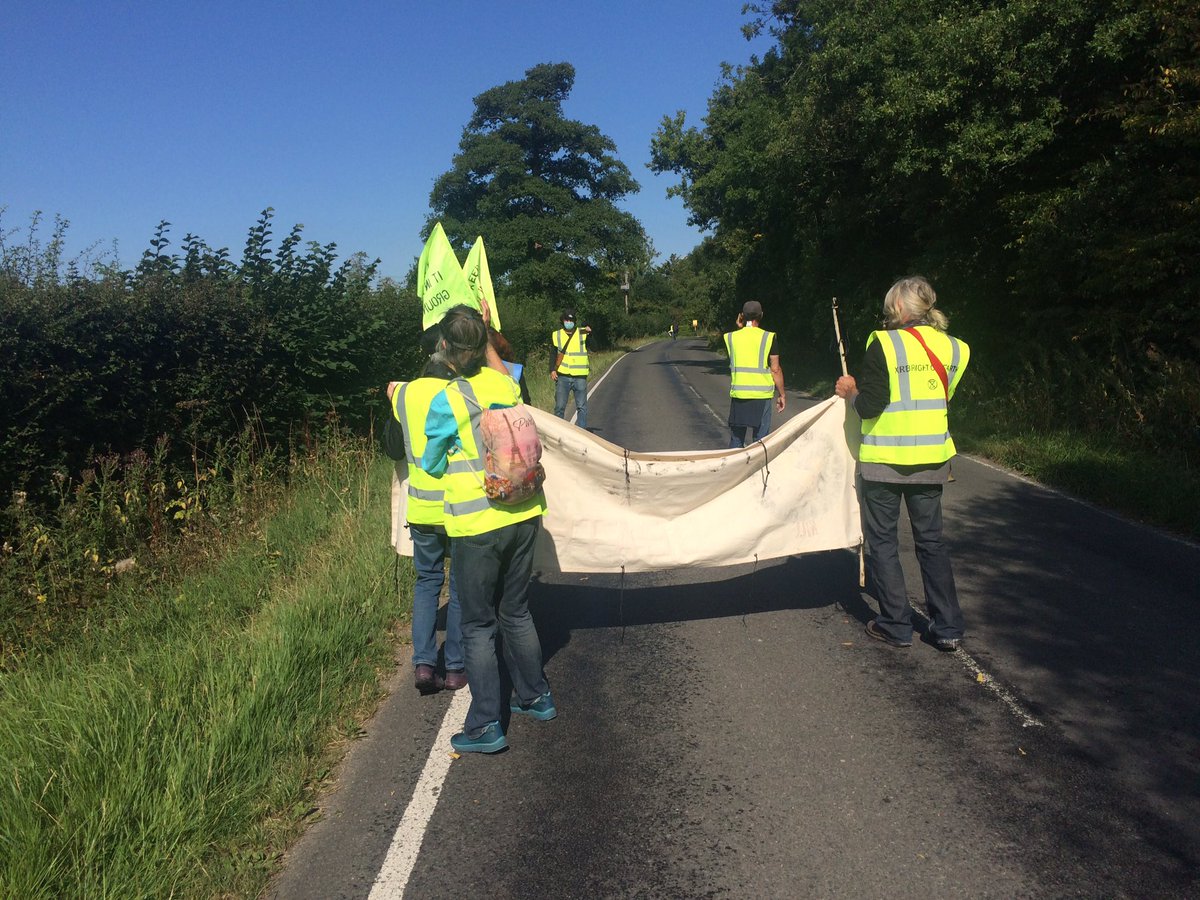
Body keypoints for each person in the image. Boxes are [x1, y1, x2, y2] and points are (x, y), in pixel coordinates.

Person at [420, 304, 555, 754]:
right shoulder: (505, 384)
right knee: (516, 612)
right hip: (524, 513)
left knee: (478, 625)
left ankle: (484, 725)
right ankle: (536, 696)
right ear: (483, 346)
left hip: (477, 524)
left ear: (444, 346)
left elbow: (431, 463)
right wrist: (487, 331)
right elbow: (504, 377)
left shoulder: (448, 399)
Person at [834, 276, 971, 652]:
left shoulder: (883, 343)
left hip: (885, 460)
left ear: (898, 308)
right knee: (932, 542)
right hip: (931, 460)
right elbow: (941, 398)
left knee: (883, 542)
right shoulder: (956, 348)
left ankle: (895, 624)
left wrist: (850, 392)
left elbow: (869, 406)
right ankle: (948, 627)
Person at [383, 332, 467, 695]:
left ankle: (423, 664)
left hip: (419, 507)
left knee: (427, 582)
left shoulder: (403, 394)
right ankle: (456, 668)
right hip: (459, 507)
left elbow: (391, 448)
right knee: (460, 586)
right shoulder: (462, 392)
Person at [723, 300, 785, 448]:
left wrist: (739, 327)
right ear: (761, 315)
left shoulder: (731, 337)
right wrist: (782, 394)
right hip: (761, 395)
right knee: (760, 442)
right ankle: (759, 464)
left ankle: (735, 464)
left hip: (739, 395)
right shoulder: (768, 337)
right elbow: (775, 369)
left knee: (736, 440)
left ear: (742, 316)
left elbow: (742, 346)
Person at [551, 309, 591, 428]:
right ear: (563, 321)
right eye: (567, 320)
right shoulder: (556, 334)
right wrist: (552, 370)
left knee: (582, 407)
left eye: (571, 320)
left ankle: (581, 433)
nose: (569, 322)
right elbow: (553, 354)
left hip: (580, 376)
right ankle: (558, 432)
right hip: (563, 376)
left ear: (575, 321)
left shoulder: (582, 332)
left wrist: (591, 333)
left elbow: (594, 346)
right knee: (559, 407)